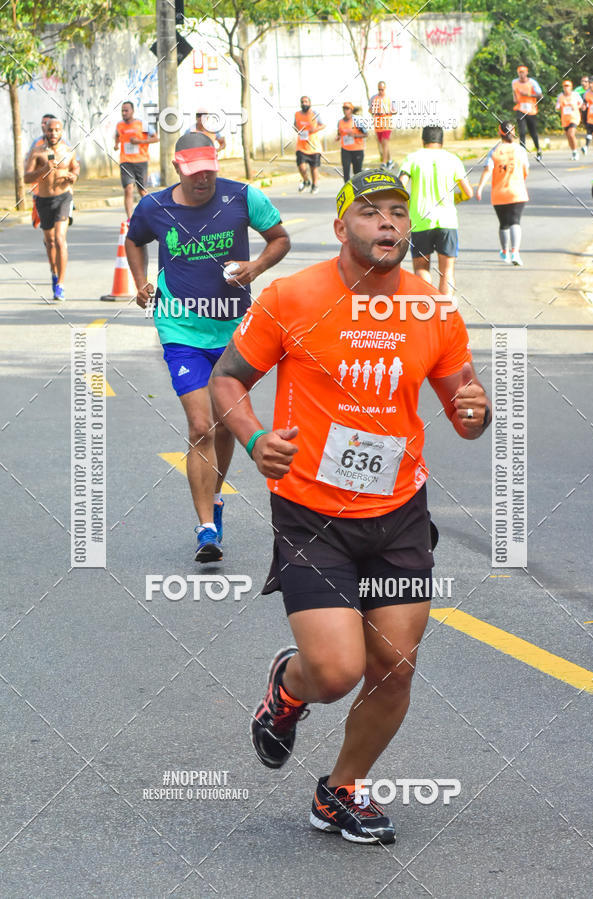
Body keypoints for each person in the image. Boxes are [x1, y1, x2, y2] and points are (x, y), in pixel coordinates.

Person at [209, 168, 491, 845]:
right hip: (312, 512)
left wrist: (476, 410)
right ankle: (290, 684)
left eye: (397, 212)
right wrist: (253, 439)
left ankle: (340, 791)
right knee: (338, 671)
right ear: (342, 228)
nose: (388, 224)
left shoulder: (433, 308)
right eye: (370, 213)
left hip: (397, 513)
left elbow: (465, 406)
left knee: (393, 667)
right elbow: (227, 379)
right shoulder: (292, 297)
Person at [125, 133, 290, 562]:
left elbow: (280, 238)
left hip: (235, 328)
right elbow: (134, 239)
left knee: (225, 423)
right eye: (195, 172)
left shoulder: (243, 197)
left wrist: (255, 267)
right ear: (177, 167)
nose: (204, 180)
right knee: (201, 426)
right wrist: (140, 282)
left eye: (210, 170)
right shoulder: (154, 207)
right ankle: (205, 529)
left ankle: (213, 498)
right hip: (180, 327)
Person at [399, 125, 473, 295]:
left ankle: (426, 308)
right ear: (442, 141)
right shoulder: (453, 159)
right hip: (447, 220)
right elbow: (468, 192)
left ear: (423, 140)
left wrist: (407, 207)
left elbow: (400, 186)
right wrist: (455, 199)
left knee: (421, 269)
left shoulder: (412, 158)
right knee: (447, 271)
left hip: (420, 220)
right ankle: (445, 312)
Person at [24, 118, 79, 301]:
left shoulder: (68, 151)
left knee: (59, 239)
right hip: (43, 200)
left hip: (64, 197)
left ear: (61, 132)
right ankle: (54, 274)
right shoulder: (37, 152)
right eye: (50, 130)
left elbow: (75, 167)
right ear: (45, 131)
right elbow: (26, 177)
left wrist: (73, 176)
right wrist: (43, 170)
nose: (53, 133)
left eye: (57, 130)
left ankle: (61, 285)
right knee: (50, 242)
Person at [475, 121, 529, 266]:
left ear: (500, 133)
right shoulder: (520, 150)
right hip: (517, 192)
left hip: (499, 193)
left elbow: (488, 170)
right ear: (513, 133)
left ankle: (504, 252)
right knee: (515, 221)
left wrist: (480, 188)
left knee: (504, 223)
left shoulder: (494, 151)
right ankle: (515, 252)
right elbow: (525, 171)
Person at [114, 101, 158, 221]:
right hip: (125, 161)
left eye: (126, 110)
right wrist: (116, 144)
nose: (124, 113)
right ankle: (130, 219)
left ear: (132, 111)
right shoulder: (120, 125)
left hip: (141, 160)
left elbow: (155, 138)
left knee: (142, 191)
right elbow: (117, 136)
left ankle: (150, 215)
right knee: (128, 188)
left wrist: (140, 142)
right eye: (122, 111)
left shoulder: (141, 124)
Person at [25, 114, 56, 229]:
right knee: (46, 225)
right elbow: (28, 162)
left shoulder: (64, 144)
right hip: (40, 188)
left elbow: (75, 162)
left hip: (58, 189)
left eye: (46, 123)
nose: (43, 125)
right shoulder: (36, 143)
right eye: (42, 123)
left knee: (58, 228)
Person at [294, 96, 326, 194]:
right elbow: (295, 125)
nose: (304, 103)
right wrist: (298, 130)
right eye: (302, 102)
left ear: (310, 103)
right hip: (301, 146)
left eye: (306, 101)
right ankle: (306, 180)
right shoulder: (297, 114)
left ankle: (315, 185)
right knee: (301, 166)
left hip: (314, 146)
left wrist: (314, 130)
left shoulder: (315, 114)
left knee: (314, 168)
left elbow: (323, 125)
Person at [512, 65, 542, 160]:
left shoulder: (532, 82)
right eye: (520, 72)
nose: (521, 74)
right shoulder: (514, 82)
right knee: (522, 131)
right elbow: (514, 93)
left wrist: (528, 95)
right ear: (518, 73)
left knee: (533, 132)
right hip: (520, 108)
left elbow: (540, 96)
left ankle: (538, 150)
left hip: (531, 110)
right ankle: (522, 153)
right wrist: (515, 98)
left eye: (523, 72)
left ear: (527, 73)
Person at [336, 102, 367, 181]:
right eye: (344, 108)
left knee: (357, 172)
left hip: (357, 150)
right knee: (346, 170)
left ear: (351, 110)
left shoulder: (357, 120)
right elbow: (339, 133)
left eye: (347, 108)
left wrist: (354, 135)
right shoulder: (340, 122)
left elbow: (365, 134)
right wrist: (338, 137)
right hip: (345, 149)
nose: (345, 110)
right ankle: (348, 188)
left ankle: (358, 188)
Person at [555, 80, 584, 160]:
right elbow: (557, 105)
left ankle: (575, 153)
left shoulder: (575, 95)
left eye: (568, 86)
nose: (566, 88)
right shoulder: (560, 96)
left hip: (574, 117)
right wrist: (558, 107)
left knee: (571, 134)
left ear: (571, 87)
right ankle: (574, 151)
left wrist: (577, 107)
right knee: (568, 136)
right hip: (565, 119)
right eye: (565, 86)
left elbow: (581, 103)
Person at [369, 81, 394, 168]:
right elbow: (370, 110)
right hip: (378, 125)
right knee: (383, 144)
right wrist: (376, 112)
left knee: (384, 142)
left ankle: (383, 163)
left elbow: (395, 110)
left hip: (387, 125)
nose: (380, 91)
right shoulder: (373, 98)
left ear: (385, 89)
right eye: (379, 89)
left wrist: (386, 111)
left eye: (382, 90)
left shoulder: (389, 98)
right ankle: (390, 160)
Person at [575, 75, 592, 154]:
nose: (583, 83)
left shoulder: (592, 90)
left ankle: (586, 146)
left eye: (585, 81)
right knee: (589, 129)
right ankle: (586, 146)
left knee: (590, 130)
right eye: (582, 81)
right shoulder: (578, 90)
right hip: (584, 112)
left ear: (589, 82)